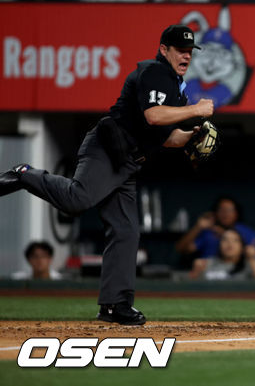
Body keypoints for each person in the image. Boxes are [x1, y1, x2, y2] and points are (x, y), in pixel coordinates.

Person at [0, 24, 215, 325]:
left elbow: (167, 137)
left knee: (126, 232)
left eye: (190, 51)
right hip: (107, 149)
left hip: (128, 161)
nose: (186, 56)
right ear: (164, 49)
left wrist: (191, 135)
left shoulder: (175, 88)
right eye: (180, 50)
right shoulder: (155, 72)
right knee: (77, 199)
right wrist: (196, 110)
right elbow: (153, 116)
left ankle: (115, 305)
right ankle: (24, 173)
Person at [176, 196, 255, 260]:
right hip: (210, 274)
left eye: (229, 210)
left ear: (236, 213)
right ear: (216, 213)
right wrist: (198, 227)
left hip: (237, 275)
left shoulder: (247, 232)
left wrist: (224, 234)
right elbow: (182, 249)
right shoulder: (208, 233)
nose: (225, 214)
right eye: (221, 210)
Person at [189, 228, 255, 280]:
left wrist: (251, 258)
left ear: (242, 246)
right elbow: (191, 288)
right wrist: (196, 271)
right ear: (219, 245)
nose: (230, 244)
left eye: (235, 240)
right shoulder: (206, 263)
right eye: (225, 240)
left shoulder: (249, 265)